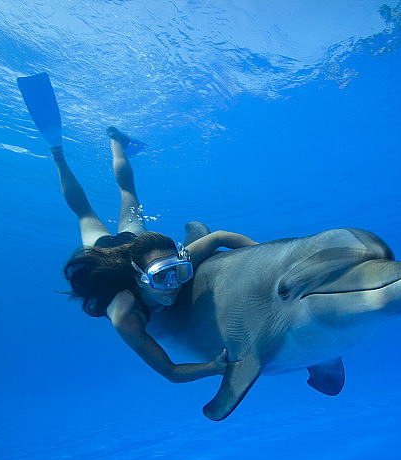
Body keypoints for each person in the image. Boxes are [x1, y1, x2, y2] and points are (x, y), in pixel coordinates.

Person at [52, 127, 257, 382]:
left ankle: (116, 140)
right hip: (102, 250)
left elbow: (220, 236)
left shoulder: (169, 265)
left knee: (129, 192)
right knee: (84, 212)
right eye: (161, 278)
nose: (172, 285)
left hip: (135, 243)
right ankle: (57, 154)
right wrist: (214, 367)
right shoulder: (125, 314)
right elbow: (170, 371)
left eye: (179, 272)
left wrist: (264, 251)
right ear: (140, 278)